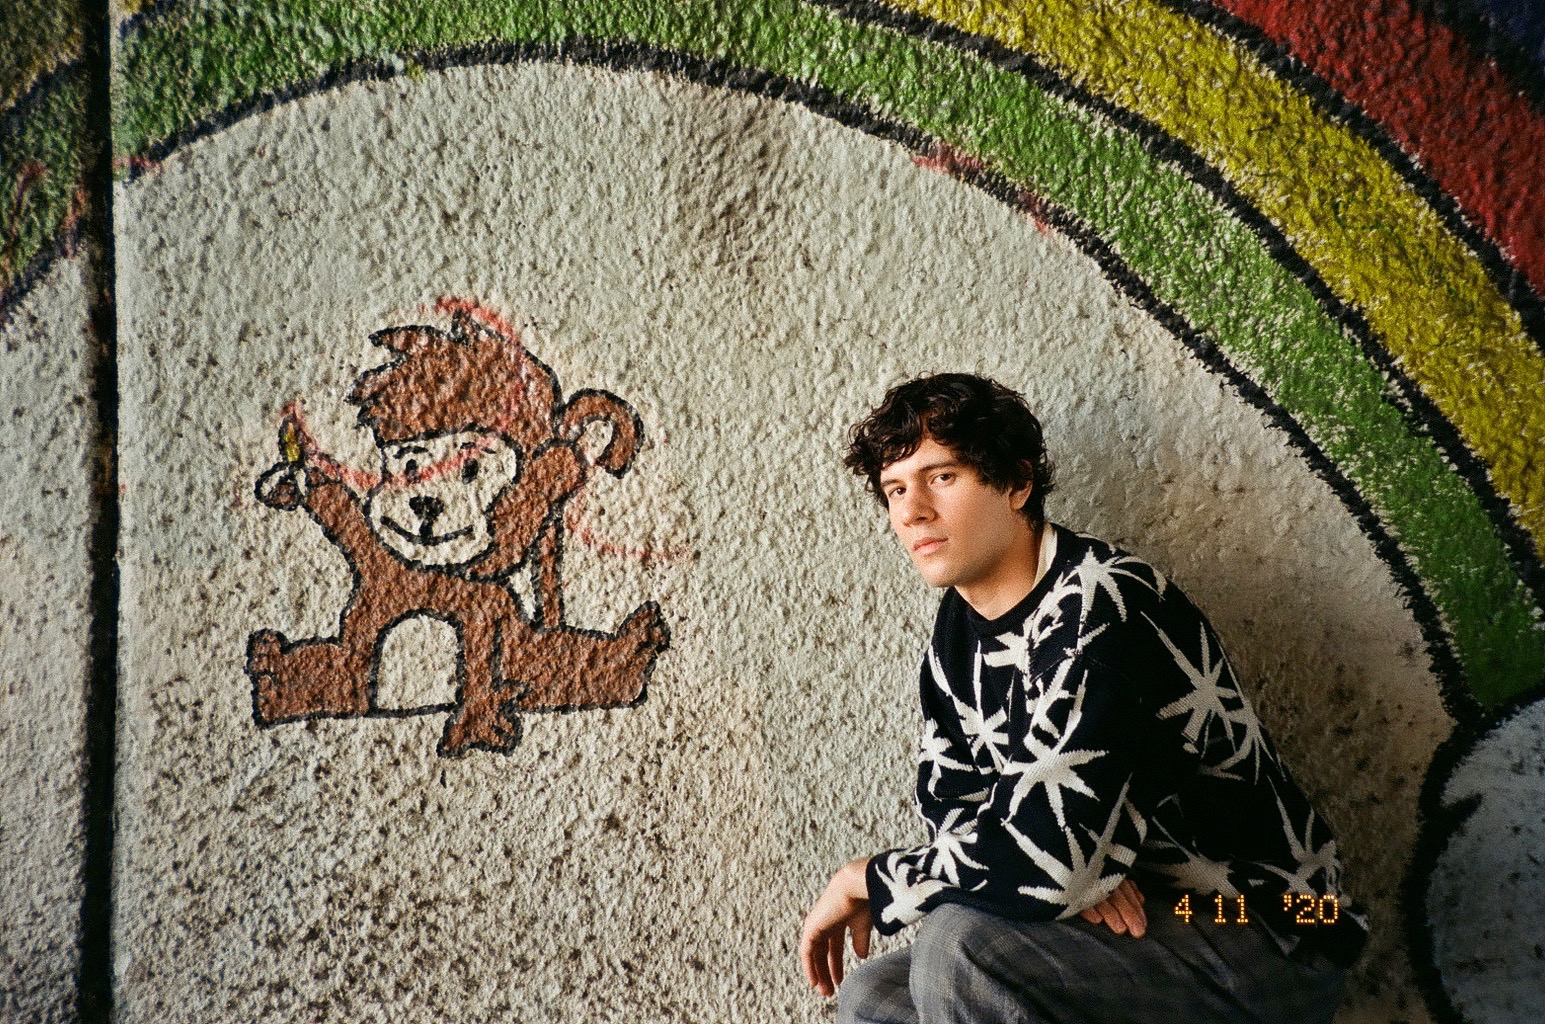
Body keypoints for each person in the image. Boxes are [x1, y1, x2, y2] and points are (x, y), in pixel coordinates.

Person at [799, 373, 1365, 1024]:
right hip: (1138, 920)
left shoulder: (1103, 605)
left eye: (942, 477)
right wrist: (1060, 877)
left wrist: (870, 878)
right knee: (875, 997)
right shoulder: (956, 634)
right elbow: (963, 818)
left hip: (1268, 920)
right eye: (896, 488)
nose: (912, 511)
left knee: (963, 949)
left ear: (1017, 483)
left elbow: (1046, 861)